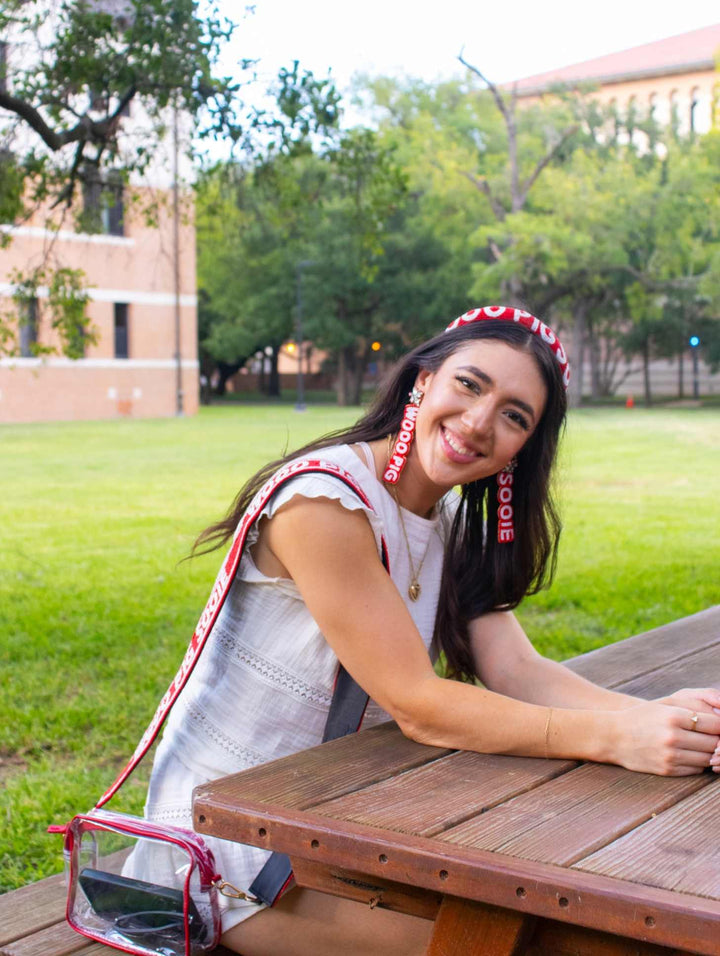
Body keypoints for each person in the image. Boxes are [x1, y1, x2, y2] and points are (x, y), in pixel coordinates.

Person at [137, 306, 720, 956]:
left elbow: (515, 670)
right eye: (469, 385)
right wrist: (618, 737)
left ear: (520, 451)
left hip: (345, 816)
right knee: (538, 944)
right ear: (422, 380)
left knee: (598, 925)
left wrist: (663, 723)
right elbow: (419, 703)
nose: (479, 422)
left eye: (513, 415)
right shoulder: (323, 504)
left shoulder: (443, 519)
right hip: (229, 847)